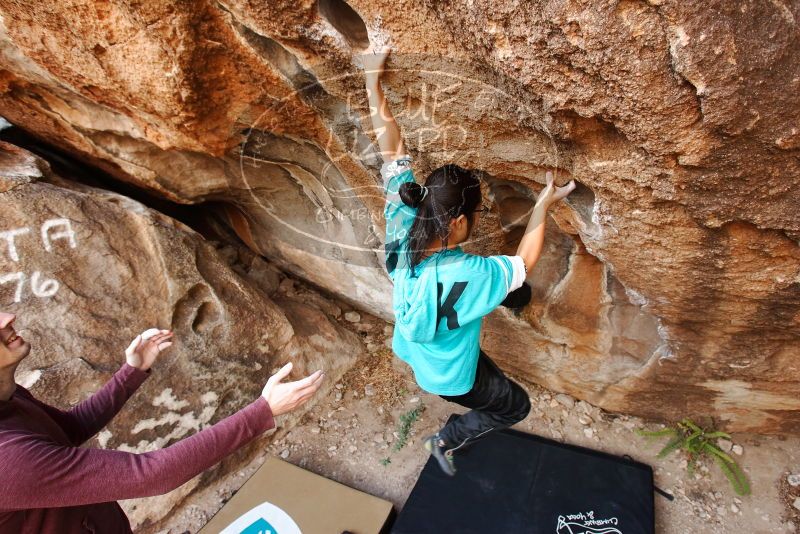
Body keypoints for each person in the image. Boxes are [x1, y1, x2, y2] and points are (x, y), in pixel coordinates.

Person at [362, 46, 576, 476]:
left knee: (514, 290)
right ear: (458, 221)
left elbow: (391, 150)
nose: (477, 221)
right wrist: (542, 204)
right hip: (453, 376)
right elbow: (524, 260)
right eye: (476, 216)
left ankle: (511, 299)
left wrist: (372, 80)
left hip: (417, 347)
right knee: (515, 407)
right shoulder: (470, 273)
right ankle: (445, 438)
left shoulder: (403, 216)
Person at [0, 311, 324, 533]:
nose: (7, 318)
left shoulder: (8, 399)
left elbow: (67, 431)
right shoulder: (8, 461)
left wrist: (130, 374)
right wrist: (262, 412)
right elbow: (154, 474)